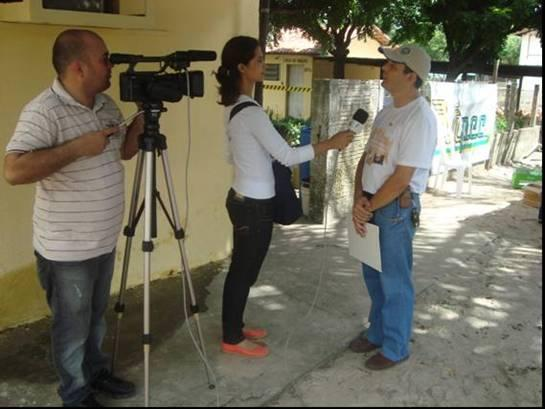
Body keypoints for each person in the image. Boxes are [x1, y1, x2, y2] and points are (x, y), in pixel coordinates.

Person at [3, 29, 143, 407]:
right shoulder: (43, 111)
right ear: (79, 67)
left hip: (101, 240)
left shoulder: (107, 105)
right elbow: (14, 171)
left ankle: (95, 372)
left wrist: (143, 122)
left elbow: (125, 153)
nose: (111, 66)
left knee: (95, 319)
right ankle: (75, 393)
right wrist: (79, 147)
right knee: (72, 328)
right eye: (105, 59)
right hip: (66, 249)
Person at [215, 36, 355, 358]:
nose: (265, 65)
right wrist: (330, 144)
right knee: (243, 271)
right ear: (242, 67)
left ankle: (233, 326)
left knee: (245, 270)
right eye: (260, 61)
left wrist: (257, 161)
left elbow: (231, 155)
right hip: (253, 205)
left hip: (243, 198)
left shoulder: (234, 105)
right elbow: (287, 156)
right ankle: (232, 338)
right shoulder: (250, 112)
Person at [349, 45, 438, 370]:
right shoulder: (388, 110)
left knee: (395, 281)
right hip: (372, 202)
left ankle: (396, 346)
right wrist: (359, 196)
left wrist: (369, 205)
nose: (384, 68)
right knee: (373, 275)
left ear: (411, 75)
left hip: (394, 209)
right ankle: (377, 332)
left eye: (392, 65)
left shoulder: (421, 118)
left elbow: (402, 178)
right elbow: (367, 157)